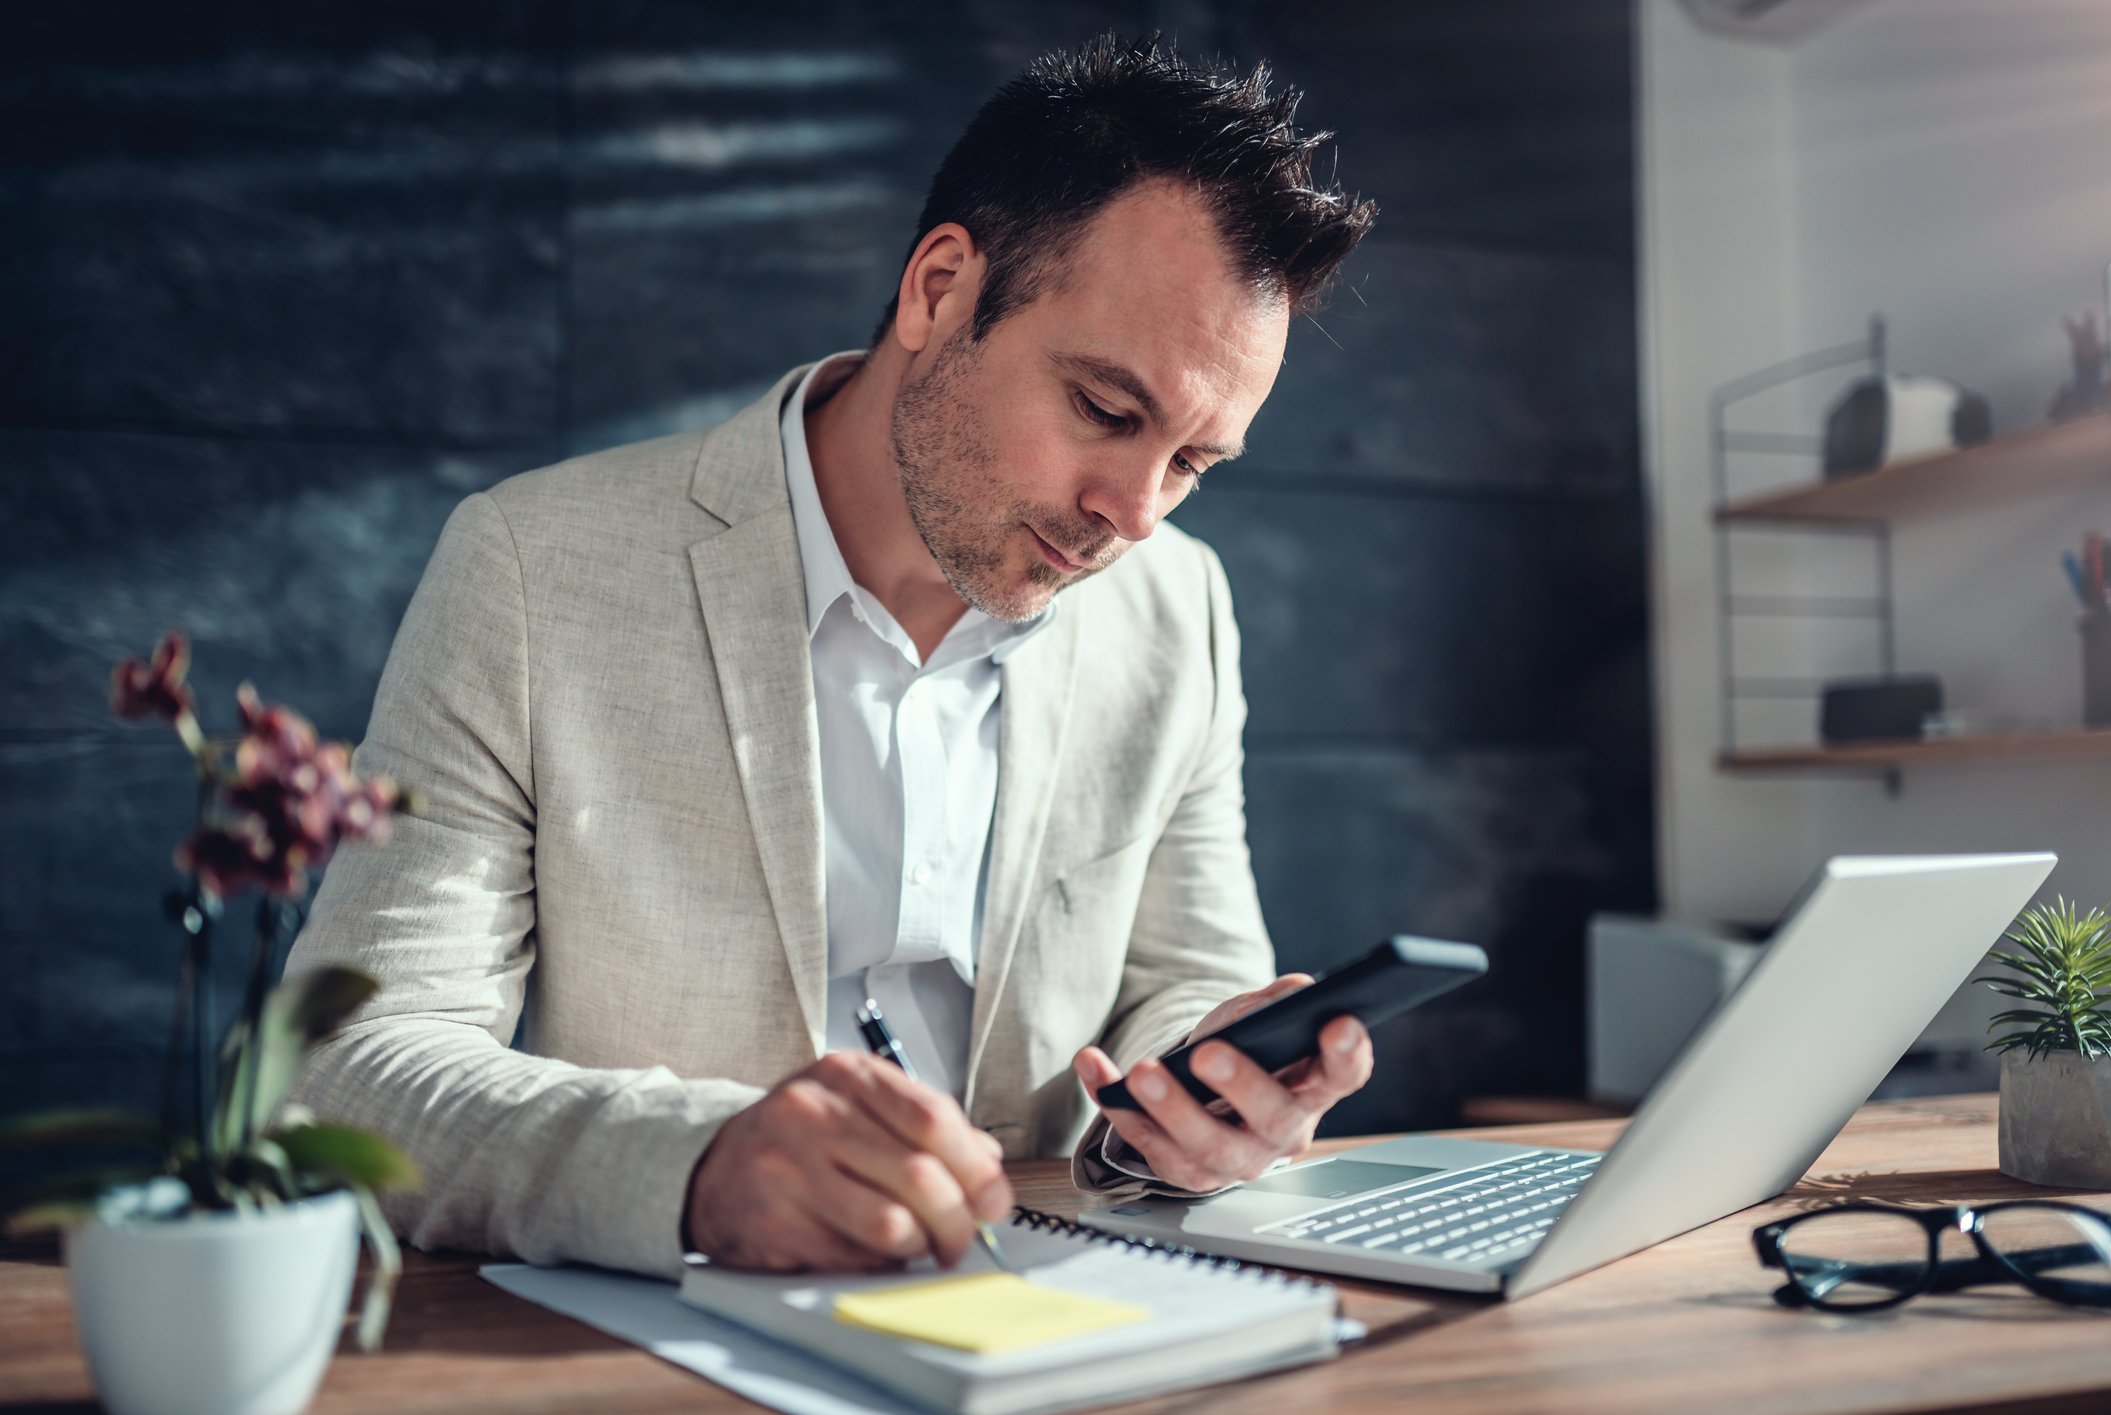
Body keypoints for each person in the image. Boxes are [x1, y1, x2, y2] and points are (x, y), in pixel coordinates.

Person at [289, 33, 1379, 1279]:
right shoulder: (532, 567)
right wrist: (694, 1167)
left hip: (1054, 1309)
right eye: (1104, 410)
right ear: (939, 290)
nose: (1132, 514)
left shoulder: (1178, 605)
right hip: (673, 1319)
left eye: (1190, 462)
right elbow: (350, 1066)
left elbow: (1186, 977)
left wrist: (1212, 1089)